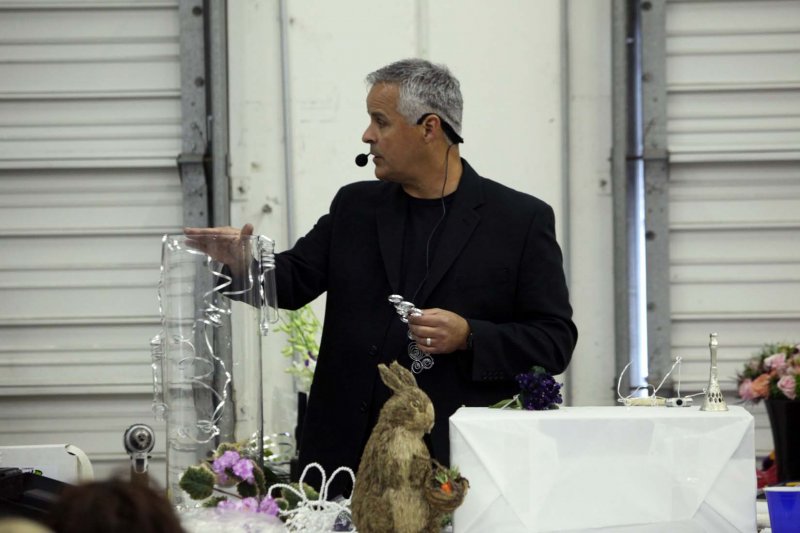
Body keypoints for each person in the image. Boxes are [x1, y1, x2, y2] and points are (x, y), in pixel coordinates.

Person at [186, 58, 577, 496]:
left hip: (450, 466)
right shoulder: (355, 207)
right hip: (342, 459)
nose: (367, 135)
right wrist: (242, 263)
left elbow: (554, 340)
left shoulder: (519, 220)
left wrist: (469, 336)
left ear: (429, 128)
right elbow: (293, 281)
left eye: (380, 121)